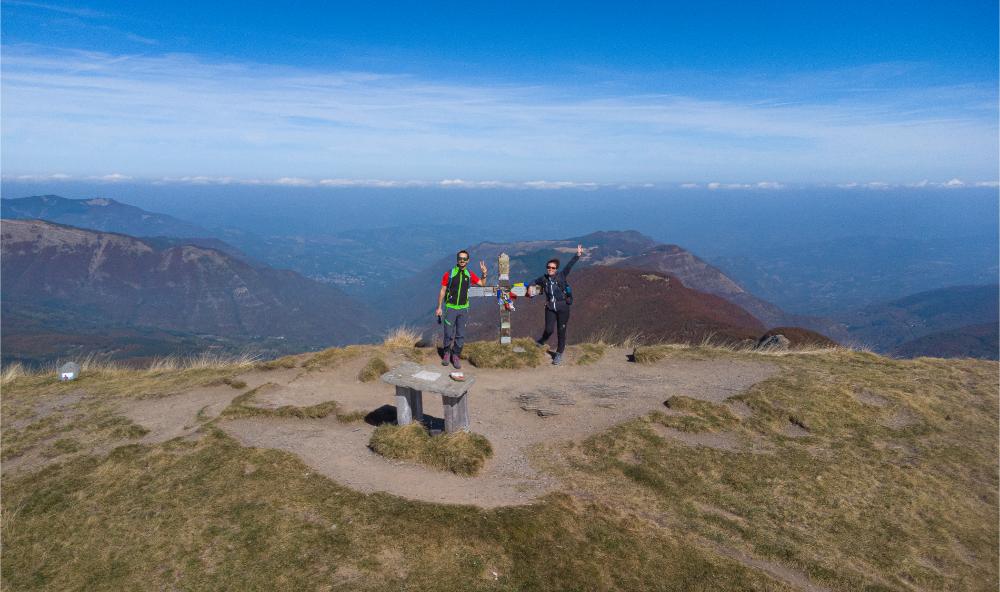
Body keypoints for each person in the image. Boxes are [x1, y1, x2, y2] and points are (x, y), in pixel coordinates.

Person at [527, 244, 582, 365]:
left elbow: (570, 266)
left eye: (553, 268)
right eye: (548, 267)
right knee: (549, 329)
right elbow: (534, 281)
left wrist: (577, 255)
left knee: (561, 331)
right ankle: (541, 341)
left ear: (556, 269)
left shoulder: (561, 276)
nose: (550, 269)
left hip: (563, 308)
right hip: (550, 307)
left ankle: (559, 354)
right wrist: (530, 287)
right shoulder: (544, 278)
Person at [435, 250, 488, 369]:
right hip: (450, 308)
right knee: (448, 333)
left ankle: (456, 355)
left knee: (460, 334)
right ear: (457, 259)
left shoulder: (469, 274)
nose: (462, 260)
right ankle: (447, 353)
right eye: (460, 258)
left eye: (464, 259)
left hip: (464, 309)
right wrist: (439, 307)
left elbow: (482, 284)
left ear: (468, 260)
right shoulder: (449, 274)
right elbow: (443, 290)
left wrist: (484, 274)